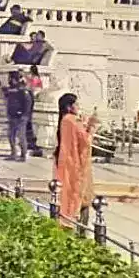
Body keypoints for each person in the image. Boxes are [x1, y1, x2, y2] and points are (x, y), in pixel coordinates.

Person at [53, 92, 98, 223]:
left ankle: (66, 219)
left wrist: (84, 124)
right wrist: (92, 129)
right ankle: (75, 224)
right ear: (69, 107)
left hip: (65, 162)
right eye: (76, 104)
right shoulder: (72, 120)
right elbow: (85, 141)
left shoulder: (65, 120)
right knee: (78, 194)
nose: (78, 106)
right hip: (76, 164)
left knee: (66, 193)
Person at [3, 73, 31, 161]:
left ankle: (23, 154)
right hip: (12, 116)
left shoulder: (22, 90)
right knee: (11, 135)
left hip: (21, 117)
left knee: (21, 136)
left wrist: (24, 114)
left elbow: (28, 103)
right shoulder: (11, 89)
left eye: (11, 78)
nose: (10, 80)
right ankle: (13, 153)